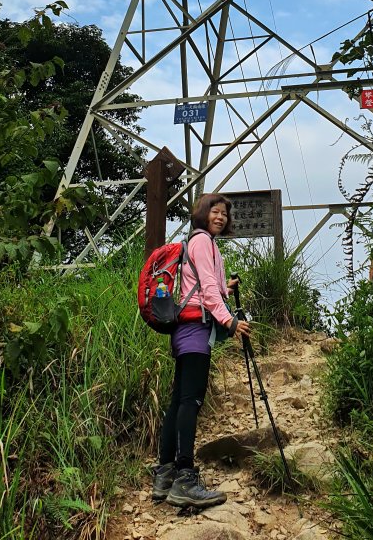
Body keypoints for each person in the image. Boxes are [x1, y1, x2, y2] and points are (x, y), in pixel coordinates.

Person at [150, 193, 251, 509]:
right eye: (215, 211)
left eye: (224, 213)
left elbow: (207, 285)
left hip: (185, 330)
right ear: (203, 213)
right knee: (190, 403)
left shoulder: (197, 242)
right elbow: (207, 293)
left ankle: (164, 475)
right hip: (195, 332)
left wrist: (227, 288)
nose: (220, 217)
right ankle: (185, 478)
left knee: (179, 400)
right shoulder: (203, 242)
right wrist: (230, 322)